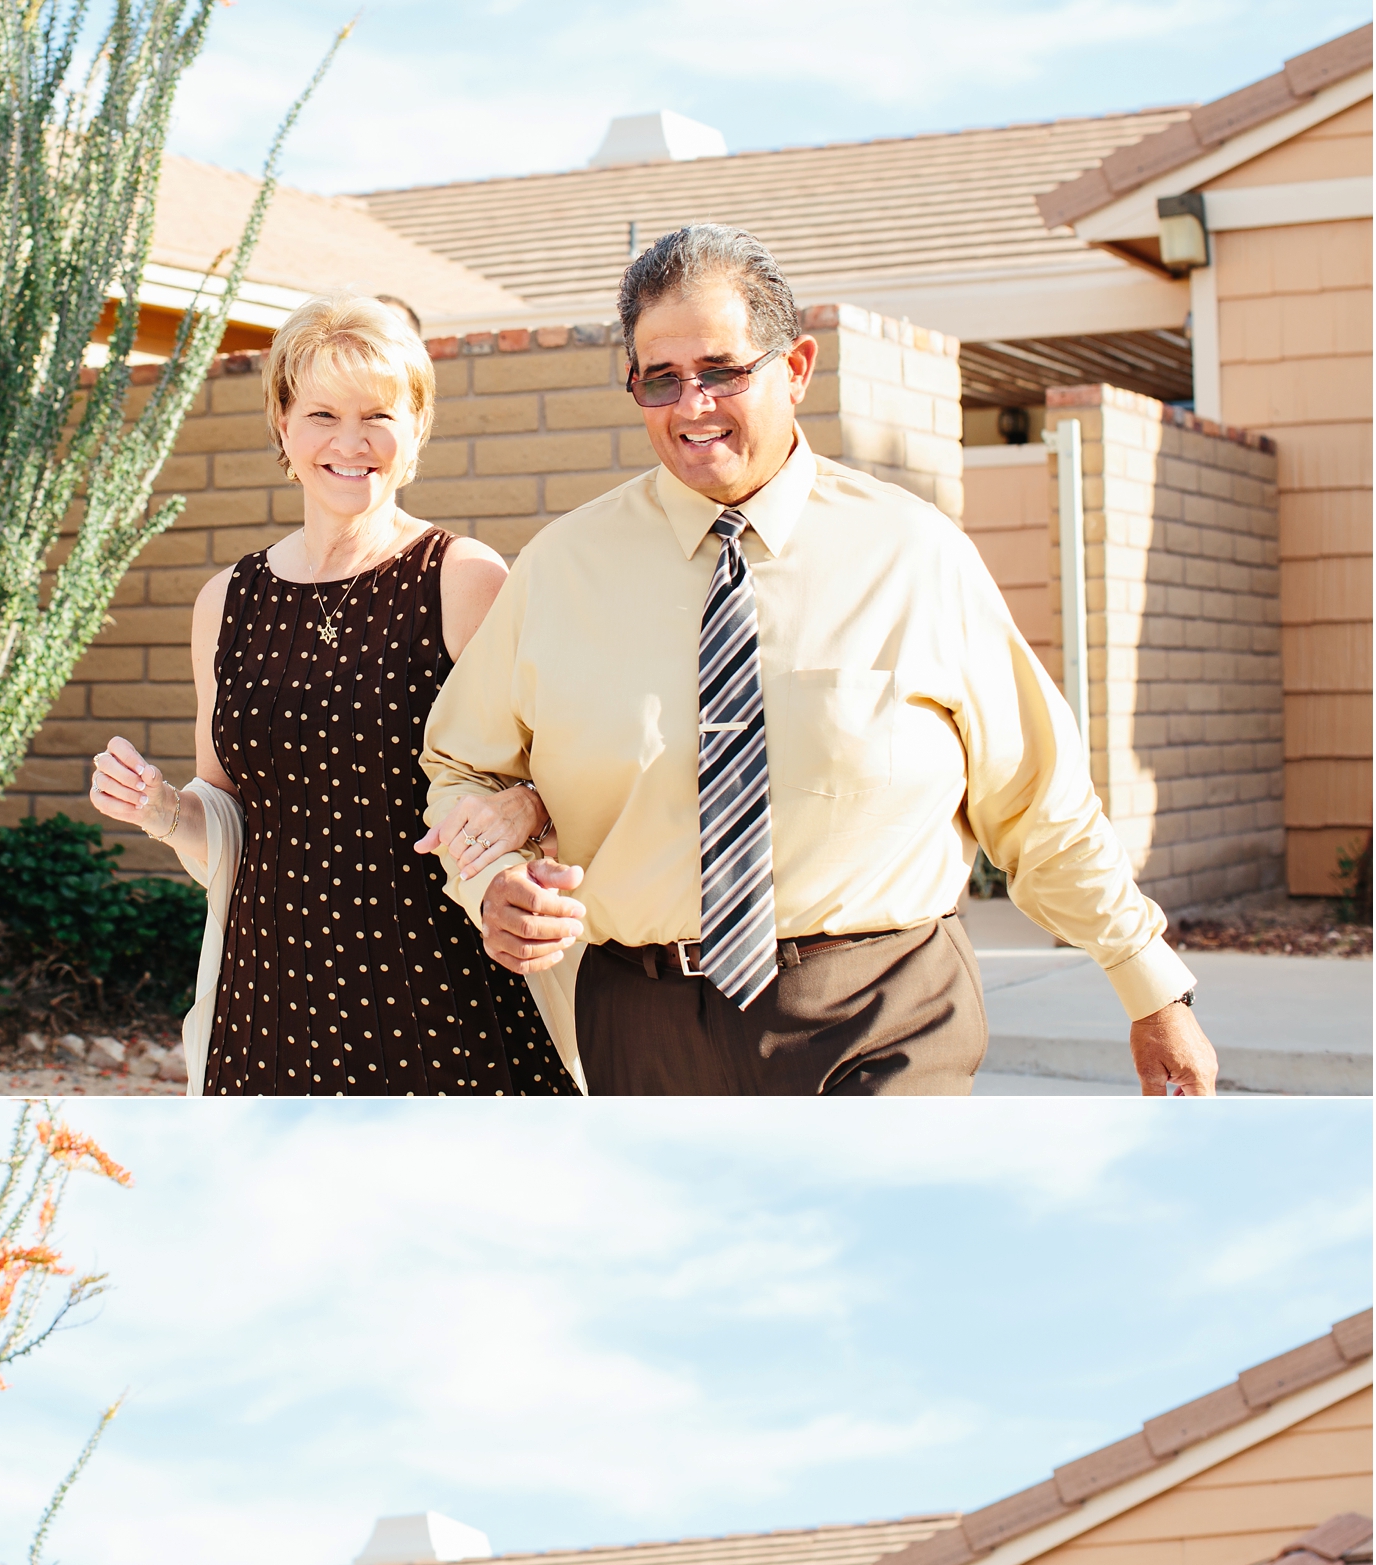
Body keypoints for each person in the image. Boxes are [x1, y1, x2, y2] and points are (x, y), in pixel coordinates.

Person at [420, 223, 1221, 1098]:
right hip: (640, 1024)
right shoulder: (560, 569)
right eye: (661, 379)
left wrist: (1150, 988)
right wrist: (491, 883)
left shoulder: (916, 554)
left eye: (722, 370)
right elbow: (461, 763)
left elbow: (1038, 798)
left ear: (796, 368)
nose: (692, 405)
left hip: (878, 1008)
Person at [89, 296, 577, 1094]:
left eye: (377, 415)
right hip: (269, 1006)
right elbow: (232, 825)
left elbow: (555, 779)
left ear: (416, 427)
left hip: (437, 994)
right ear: (283, 423)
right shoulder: (226, 601)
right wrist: (160, 808)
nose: (349, 443)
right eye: (321, 412)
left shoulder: (462, 578)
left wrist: (526, 818)